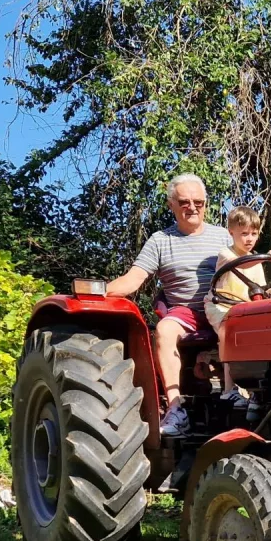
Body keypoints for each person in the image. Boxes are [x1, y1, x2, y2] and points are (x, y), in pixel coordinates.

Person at [105, 174, 234, 436]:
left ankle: (243, 396)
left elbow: (246, 266)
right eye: (184, 202)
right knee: (164, 329)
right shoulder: (161, 240)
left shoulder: (223, 236)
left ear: (206, 203)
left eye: (198, 202)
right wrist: (100, 291)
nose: (192, 207)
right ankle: (175, 408)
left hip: (223, 308)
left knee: (256, 321)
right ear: (171, 205)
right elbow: (134, 278)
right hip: (186, 314)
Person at [204, 205, 271, 401]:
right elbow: (242, 265)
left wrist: (270, 292)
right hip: (221, 305)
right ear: (231, 232)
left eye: (254, 234)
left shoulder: (255, 260)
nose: (249, 239)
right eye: (244, 233)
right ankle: (229, 390)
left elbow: (259, 289)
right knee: (229, 332)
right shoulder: (226, 254)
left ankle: (261, 389)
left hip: (244, 309)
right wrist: (268, 257)